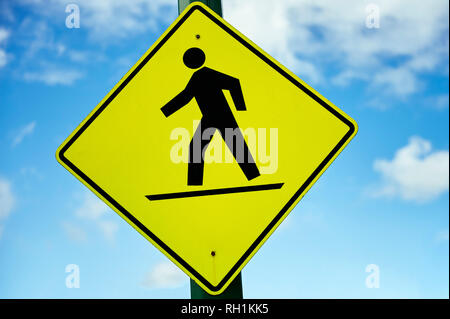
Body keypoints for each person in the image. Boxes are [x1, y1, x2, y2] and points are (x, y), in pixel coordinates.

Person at [161, 47, 260, 186]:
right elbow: (186, 96)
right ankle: (194, 184)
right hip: (209, 116)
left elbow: (234, 83)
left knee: (235, 145)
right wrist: (165, 111)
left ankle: (254, 176)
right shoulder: (197, 77)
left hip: (223, 114)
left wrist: (241, 108)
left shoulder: (207, 73)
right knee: (197, 147)